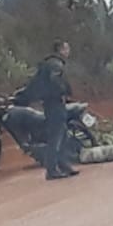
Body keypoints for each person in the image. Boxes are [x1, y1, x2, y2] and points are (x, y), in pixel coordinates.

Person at [35, 40, 77, 181]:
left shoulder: (50, 63)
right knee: (56, 136)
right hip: (54, 103)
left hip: (51, 102)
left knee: (63, 135)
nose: (68, 51)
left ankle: (63, 165)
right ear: (60, 49)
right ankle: (52, 169)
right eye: (66, 48)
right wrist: (63, 92)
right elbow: (56, 82)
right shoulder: (55, 64)